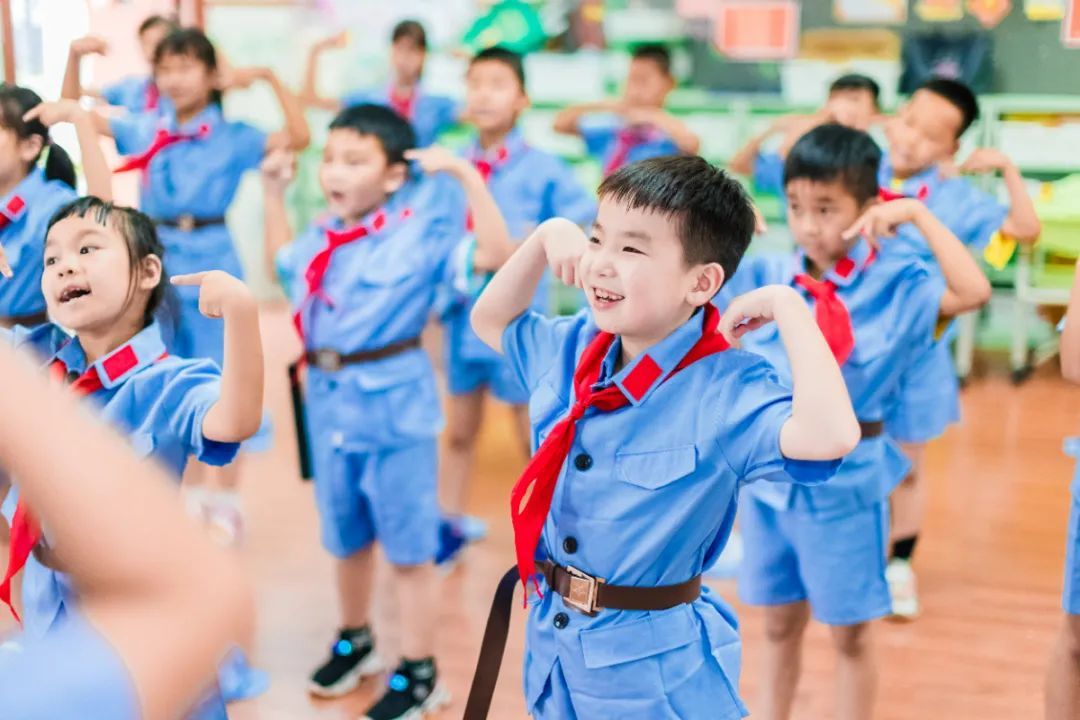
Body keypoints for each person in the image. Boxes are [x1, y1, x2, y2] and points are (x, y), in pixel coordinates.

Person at [469, 155, 859, 718]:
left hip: (652, 671)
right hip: (554, 646)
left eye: (631, 249)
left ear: (701, 282)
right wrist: (545, 236)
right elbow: (490, 320)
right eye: (597, 239)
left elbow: (830, 437)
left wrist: (789, 307)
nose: (601, 264)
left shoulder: (726, 387)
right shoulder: (573, 346)